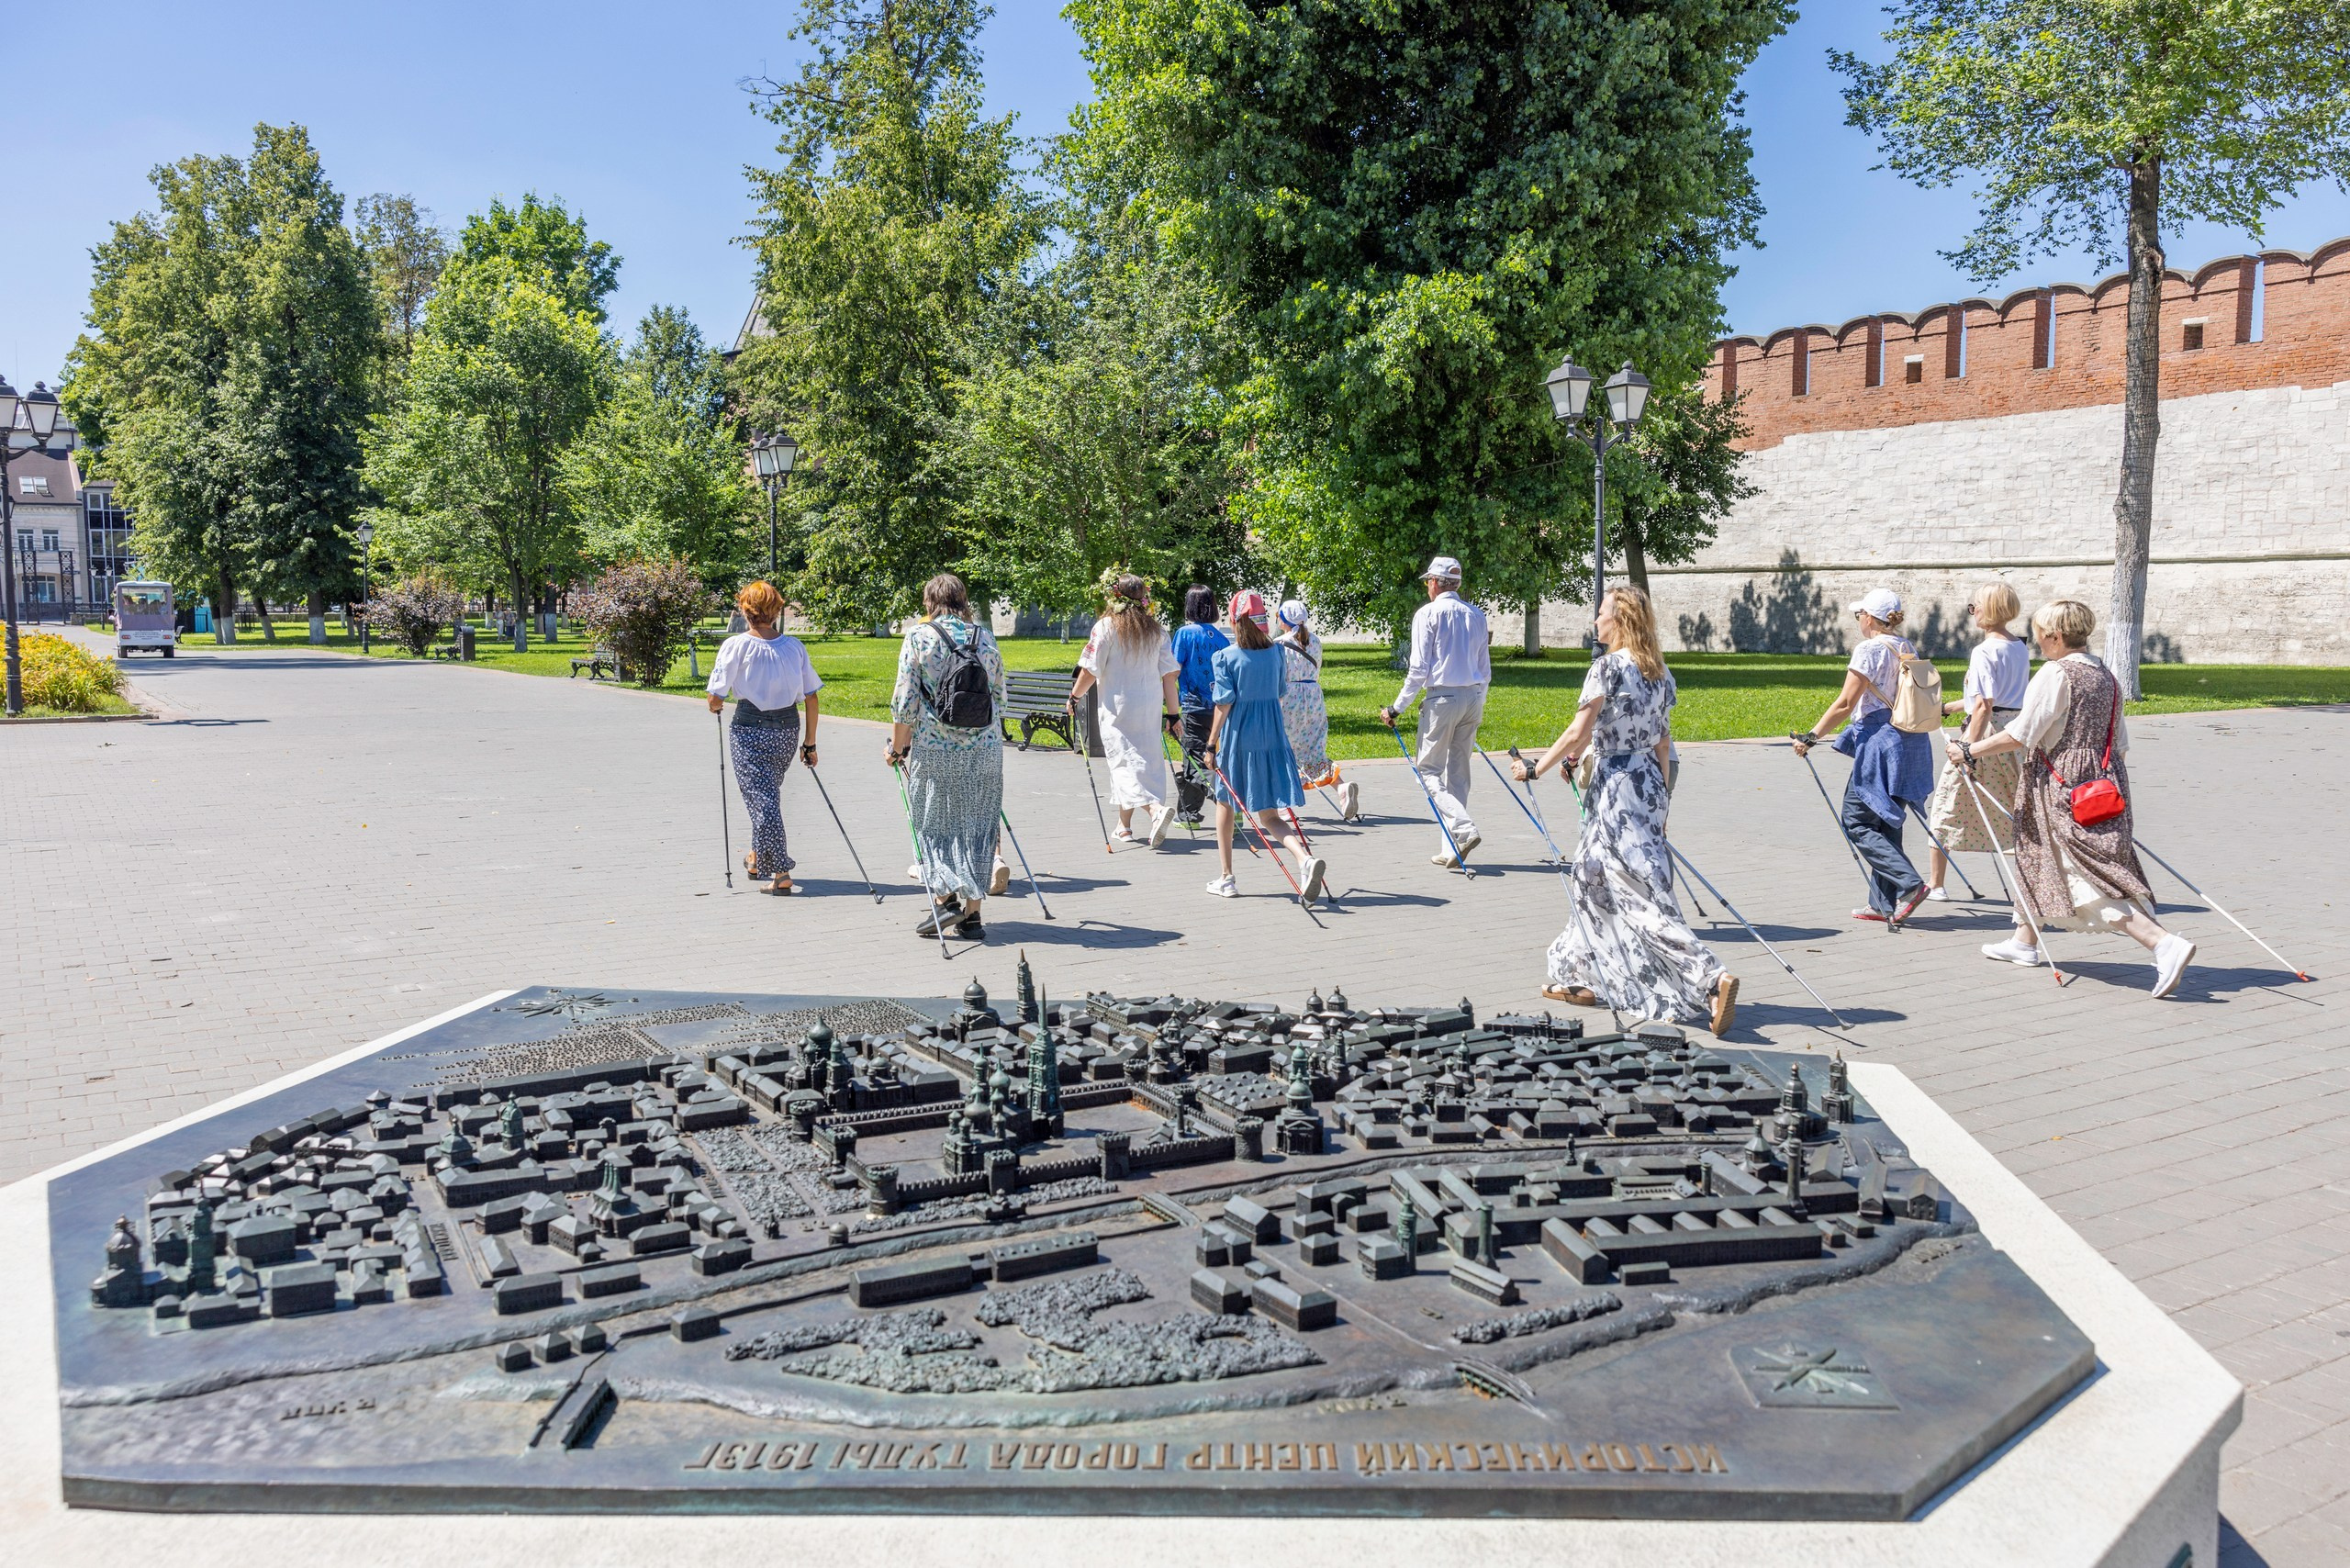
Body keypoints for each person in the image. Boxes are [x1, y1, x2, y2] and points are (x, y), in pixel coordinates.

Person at [1512, 586, 1739, 1036]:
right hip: (1647, 785)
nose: (1596, 622)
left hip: (1615, 788)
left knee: (1633, 894)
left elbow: (1580, 730)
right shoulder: (1658, 671)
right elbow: (1663, 743)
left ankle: (1709, 976)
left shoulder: (1607, 668)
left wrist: (1537, 766)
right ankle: (1575, 972)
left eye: (1601, 615)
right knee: (1588, 875)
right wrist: (1661, 801)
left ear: (1620, 620)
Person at [1945, 599, 2195, 996]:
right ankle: (2024, 940)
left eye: (2041, 636)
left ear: (2056, 637)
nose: (2039, 643)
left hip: (2059, 784)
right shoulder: (2106, 675)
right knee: (2039, 853)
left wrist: (1968, 750)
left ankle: (2162, 943)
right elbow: (2122, 742)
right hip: (2102, 782)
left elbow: (2020, 734)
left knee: (2078, 870)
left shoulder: (2055, 673)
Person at [1793, 588, 1936, 926]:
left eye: (1860, 615)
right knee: (1886, 823)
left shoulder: (1869, 649)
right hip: (1909, 741)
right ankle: (1881, 904)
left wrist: (1812, 737)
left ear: (1869, 617)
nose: (1858, 619)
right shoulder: (1906, 646)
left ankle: (1910, 885)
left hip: (1879, 744)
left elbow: (1845, 703)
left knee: (1856, 819)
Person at [888, 573, 1008, 940]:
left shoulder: (918, 637)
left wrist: (897, 748)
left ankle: (945, 904)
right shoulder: (984, 637)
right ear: (963, 600)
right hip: (985, 750)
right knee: (976, 826)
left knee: (934, 824)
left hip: (936, 749)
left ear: (929, 601)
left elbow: (905, 702)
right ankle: (973, 917)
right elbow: (1000, 698)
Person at [1203, 591, 1329, 902]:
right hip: (1272, 737)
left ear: (1235, 621)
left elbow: (1224, 703)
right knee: (1269, 813)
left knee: (1225, 803)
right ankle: (1304, 859)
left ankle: (1226, 877)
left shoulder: (1226, 657)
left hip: (1239, 739)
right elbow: (1280, 690)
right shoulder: (1275, 653)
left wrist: (1210, 744)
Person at [705, 581, 822, 896]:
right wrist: (809, 742)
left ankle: (781, 871)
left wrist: (716, 705)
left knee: (763, 800)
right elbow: (811, 697)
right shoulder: (794, 646)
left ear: (745, 610)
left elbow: (715, 696)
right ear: (778, 610)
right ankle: (756, 858)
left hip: (749, 728)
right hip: (787, 728)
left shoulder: (736, 646)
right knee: (766, 794)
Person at [1380, 555, 1492, 866]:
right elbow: (1485, 668)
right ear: (1456, 584)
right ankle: (1451, 847)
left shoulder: (1427, 614)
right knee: (1458, 773)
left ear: (1433, 583)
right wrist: (1479, 700)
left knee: (1427, 771)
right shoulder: (1476, 615)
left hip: (1442, 698)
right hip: (1473, 696)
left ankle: (1463, 828)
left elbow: (1418, 669)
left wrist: (1395, 708)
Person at [1920, 581, 2029, 899]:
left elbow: (1984, 705)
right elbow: (2000, 697)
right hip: (2014, 731)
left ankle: (1936, 883)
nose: (1973, 612)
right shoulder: (2019, 647)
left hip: (1986, 733)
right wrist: (1949, 708)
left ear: (1990, 609)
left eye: (1975, 606)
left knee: (1947, 802)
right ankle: (2030, 878)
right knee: (2014, 805)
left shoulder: (1984, 651)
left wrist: (1968, 749)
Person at [1069, 574, 1181, 848]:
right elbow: (1170, 675)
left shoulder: (1106, 627)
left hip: (1117, 707)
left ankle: (1154, 811)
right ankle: (1124, 827)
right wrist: (1174, 714)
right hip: (1149, 706)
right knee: (1142, 760)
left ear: (1114, 596)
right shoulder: (1157, 630)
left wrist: (1074, 696)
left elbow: (1090, 669)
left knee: (1122, 763)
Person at [1275, 599, 1358, 819]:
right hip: (1313, 697)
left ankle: (1284, 805)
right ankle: (1341, 787)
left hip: (1290, 698)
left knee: (1284, 749)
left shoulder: (1279, 644)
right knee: (1313, 750)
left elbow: (1278, 675)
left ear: (1283, 619)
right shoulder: (1316, 641)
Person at [1170, 585, 1229, 825]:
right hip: (1219, 707)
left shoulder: (1185, 634)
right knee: (1202, 756)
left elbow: (1173, 669)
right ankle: (1188, 813)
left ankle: (1228, 804)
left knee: (1195, 760)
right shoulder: (1222, 638)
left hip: (1193, 705)